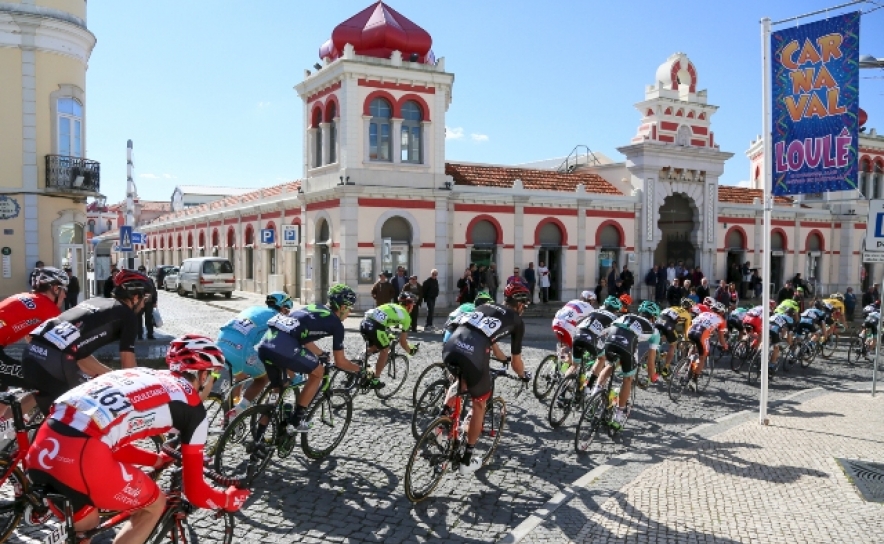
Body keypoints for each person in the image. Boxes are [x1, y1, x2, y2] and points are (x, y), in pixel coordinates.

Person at [25, 336, 250, 543]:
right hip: (81, 459)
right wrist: (227, 500)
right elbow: (196, 493)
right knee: (153, 506)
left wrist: (155, 460)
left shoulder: (141, 375)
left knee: (85, 528)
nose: (213, 383)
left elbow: (101, 438)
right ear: (203, 376)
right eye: (215, 376)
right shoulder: (192, 407)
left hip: (42, 448)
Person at [23, 269, 153, 415]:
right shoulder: (127, 315)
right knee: (89, 413)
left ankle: (8, 421)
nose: (144, 305)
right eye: (145, 299)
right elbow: (128, 369)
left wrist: (108, 374)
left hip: (32, 352)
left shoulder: (95, 301)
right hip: (55, 360)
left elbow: (77, 352)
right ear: (135, 297)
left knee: (54, 412)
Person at [441, 282, 531, 475]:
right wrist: (523, 375)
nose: (524, 309)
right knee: (479, 403)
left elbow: (484, 336)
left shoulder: (484, 306)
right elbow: (516, 363)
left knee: (460, 382)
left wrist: (498, 356)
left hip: (451, 345)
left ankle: (439, 425)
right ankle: (466, 459)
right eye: (525, 305)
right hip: (472, 353)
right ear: (520, 304)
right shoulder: (517, 321)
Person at [257, 284, 370, 433]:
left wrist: (320, 353)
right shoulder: (337, 325)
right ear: (342, 307)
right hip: (284, 348)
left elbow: (302, 335)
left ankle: (259, 436)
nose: (350, 312)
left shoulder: (315, 307)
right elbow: (340, 362)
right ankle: (297, 420)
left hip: (265, 345)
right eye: (349, 308)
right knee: (318, 372)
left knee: (278, 389)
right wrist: (361, 371)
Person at [0, 267, 68, 418]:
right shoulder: (49, 309)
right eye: (64, 290)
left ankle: (5, 422)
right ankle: (10, 423)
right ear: (55, 288)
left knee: (4, 388)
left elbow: (33, 340)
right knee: (46, 383)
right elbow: (64, 346)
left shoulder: (27, 298)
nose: (65, 295)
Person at [218, 291, 293, 420]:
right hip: (239, 348)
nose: (287, 313)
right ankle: (238, 411)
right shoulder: (277, 318)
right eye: (287, 310)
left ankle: (230, 416)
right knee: (263, 378)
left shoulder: (255, 309)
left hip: (221, 343)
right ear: (282, 308)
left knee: (240, 376)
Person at [589, 300, 661, 429]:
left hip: (611, 340)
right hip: (627, 344)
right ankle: (617, 417)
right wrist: (652, 376)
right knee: (628, 379)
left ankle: (594, 393)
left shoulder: (627, 315)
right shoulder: (654, 331)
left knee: (610, 365)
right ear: (654, 317)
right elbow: (650, 362)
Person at [360, 291, 420, 388]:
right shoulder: (406, 317)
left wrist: (388, 335)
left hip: (364, 323)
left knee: (376, 345)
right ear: (409, 305)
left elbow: (385, 322)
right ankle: (375, 380)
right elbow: (403, 342)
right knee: (385, 350)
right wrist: (411, 351)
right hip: (376, 327)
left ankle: (361, 362)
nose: (413, 307)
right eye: (413, 305)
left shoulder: (392, 306)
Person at [571, 297, 620, 383]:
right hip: (590, 338)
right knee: (602, 358)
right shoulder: (615, 318)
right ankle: (589, 385)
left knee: (574, 366)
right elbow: (612, 337)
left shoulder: (594, 311)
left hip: (577, 334)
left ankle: (563, 388)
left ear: (605, 305)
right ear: (616, 310)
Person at [686, 302, 729, 390]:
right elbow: (721, 338)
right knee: (702, 357)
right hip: (701, 335)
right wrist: (725, 346)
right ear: (721, 312)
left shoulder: (704, 313)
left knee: (695, 346)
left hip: (690, 331)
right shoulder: (722, 320)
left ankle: (689, 363)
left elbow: (694, 322)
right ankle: (694, 380)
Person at [551, 291, 596, 371]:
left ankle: (557, 366)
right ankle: (564, 371)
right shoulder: (590, 308)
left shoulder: (573, 301)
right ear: (589, 300)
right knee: (573, 352)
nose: (593, 303)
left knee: (565, 346)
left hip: (556, 322)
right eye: (592, 301)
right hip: (567, 325)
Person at [655, 298, 694, 378]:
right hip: (668, 325)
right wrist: (687, 341)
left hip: (659, 320)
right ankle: (666, 368)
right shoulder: (688, 315)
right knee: (673, 345)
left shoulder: (674, 307)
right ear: (689, 308)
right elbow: (687, 331)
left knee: (659, 340)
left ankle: (653, 357)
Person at [136, 265, 157, 340]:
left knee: (149, 318)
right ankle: (140, 334)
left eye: (143, 271)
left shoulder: (149, 279)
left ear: (145, 271)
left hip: (149, 302)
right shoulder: (136, 280)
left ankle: (150, 334)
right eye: (140, 271)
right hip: (139, 302)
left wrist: (154, 301)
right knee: (139, 318)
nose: (142, 272)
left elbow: (154, 291)